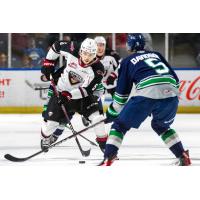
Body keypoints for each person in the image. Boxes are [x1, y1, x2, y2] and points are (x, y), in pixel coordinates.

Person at [99, 33, 191, 166]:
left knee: (119, 126)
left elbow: (121, 96)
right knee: (161, 126)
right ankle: (182, 155)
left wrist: (112, 114)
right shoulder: (157, 55)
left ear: (130, 45)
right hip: (171, 95)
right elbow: (175, 79)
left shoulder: (127, 60)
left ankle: (108, 157)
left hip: (147, 96)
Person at [40, 38, 108, 152]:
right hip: (61, 92)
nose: (87, 57)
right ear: (80, 51)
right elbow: (57, 45)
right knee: (50, 126)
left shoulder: (98, 69)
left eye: (91, 55)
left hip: (82, 97)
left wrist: (69, 95)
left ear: (95, 55)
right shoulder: (72, 48)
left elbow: (87, 90)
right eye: (85, 53)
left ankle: (105, 147)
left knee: (98, 118)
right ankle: (45, 139)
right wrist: (48, 64)